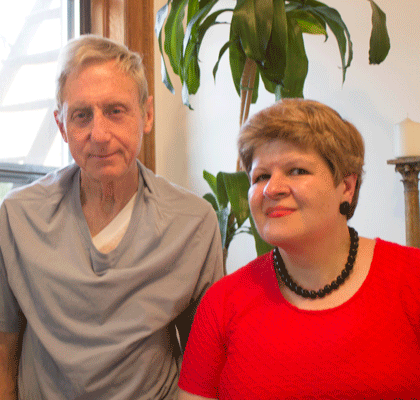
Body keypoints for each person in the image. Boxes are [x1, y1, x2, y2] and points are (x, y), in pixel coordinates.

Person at [0, 34, 223, 400]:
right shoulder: (19, 216)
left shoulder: (193, 223)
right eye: (81, 115)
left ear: (147, 115)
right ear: (61, 126)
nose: (99, 134)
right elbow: (0, 359)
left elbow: (203, 366)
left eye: (115, 111)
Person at [177, 98, 420, 399]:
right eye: (261, 176)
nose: (271, 188)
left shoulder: (412, 279)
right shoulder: (221, 304)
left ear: (347, 186)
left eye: (296, 171)